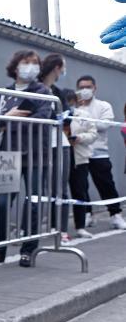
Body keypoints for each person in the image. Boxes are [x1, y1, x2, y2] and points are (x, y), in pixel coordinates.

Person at [0, 50, 56, 267]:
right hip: (6, 154)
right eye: (26, 62)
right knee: (2, 204)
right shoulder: (3, 94)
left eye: (35, 63)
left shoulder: (43, 91)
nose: (31, 66)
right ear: (15, 67)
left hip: (36, 155)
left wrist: (6, 122)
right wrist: (6, 116)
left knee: (33, 202)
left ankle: (28, 250)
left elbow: (42, 118)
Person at [71, 75, 126, 231]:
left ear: (94, 88)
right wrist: (88, 124)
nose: (84, 90)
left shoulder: (104, 106)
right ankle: (87, 214)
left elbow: (105, 125)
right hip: (79, 152)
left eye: (88, 87)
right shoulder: (74, 108)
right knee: (80, 186)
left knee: (106, 184)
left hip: (99, 151)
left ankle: (115, 214)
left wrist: (85, 122)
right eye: (81, 87)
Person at [38, 54, 71, 241]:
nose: (63, 71)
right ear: (57, 67)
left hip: (59, 144)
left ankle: (60, 229)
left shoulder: (59, 92)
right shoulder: (35, 88)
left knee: (60, 189)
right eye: (63, 67)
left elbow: (66, 118)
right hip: (37, 143)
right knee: (37, 189)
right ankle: (30, 230)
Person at [67, 88, 99, 239]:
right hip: (60, 157)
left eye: (70, 101)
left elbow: (93, 134)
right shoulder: (56, 115)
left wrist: (80, 138)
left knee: (79, 191)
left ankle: (80, 226)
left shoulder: (84, 115)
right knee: (58, 194)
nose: (69, 104)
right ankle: (57, 227)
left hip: (80, 157)